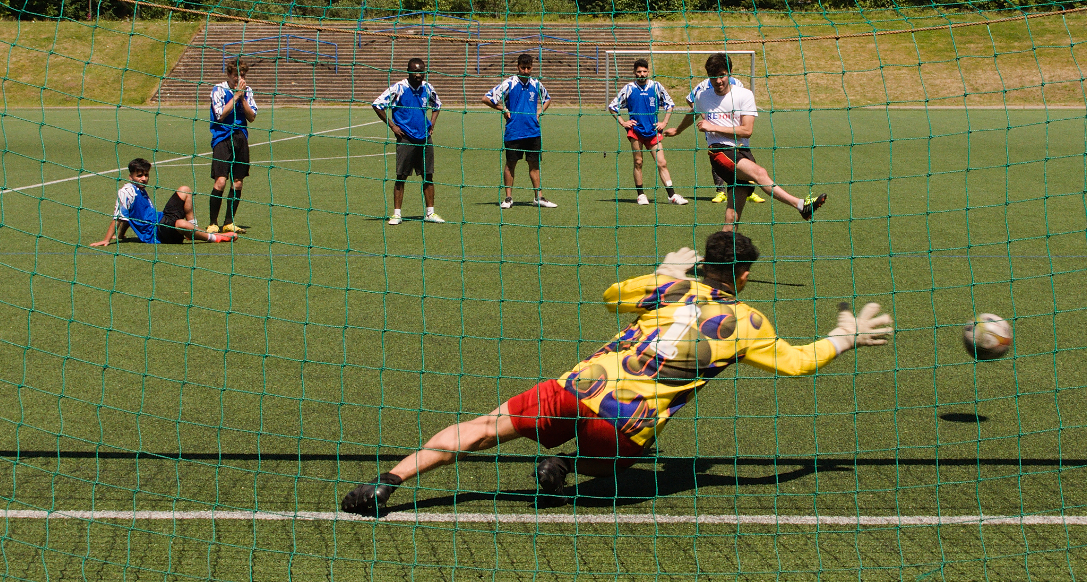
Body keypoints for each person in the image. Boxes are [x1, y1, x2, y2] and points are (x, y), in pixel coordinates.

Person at [340, 230, 894, 517]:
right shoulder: (750, 322)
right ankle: (566, 464)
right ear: (744, 275)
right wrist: (843, 337)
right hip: (628, 421)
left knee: (486, 428)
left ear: (703, 262)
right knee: (623, 462)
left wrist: (663, 272)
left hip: (578, 387)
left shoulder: (669, 287)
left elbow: (611, 297)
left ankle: (387, 483)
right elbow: (798, 363)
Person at [667, 53, 823, 230]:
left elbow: (746, 131)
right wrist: (677, 130)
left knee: (732, 216)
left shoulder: (744, 95)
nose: (718, 81)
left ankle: (724, 245)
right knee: (760, 173)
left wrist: (712, 126)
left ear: (730, 72)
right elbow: (694, 112)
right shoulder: (703, 96)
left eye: (722, 75)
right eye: (713, 77)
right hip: (719, 153)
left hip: (742, 152)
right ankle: (801, 205)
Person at [90, 158, 233, 247]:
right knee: (180, 224)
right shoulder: (126, 192)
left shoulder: (140, 189)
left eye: (146, 175)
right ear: (130, 176)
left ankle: (192, 230)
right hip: (157, 232)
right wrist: (106, 239)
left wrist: (121, 235)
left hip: (162, 218)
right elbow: (119, 218)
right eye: (139, 175)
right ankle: (214, 237)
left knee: (184, 190)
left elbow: (129, 216)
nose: (144, 178)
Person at [371, 57, 446, 225]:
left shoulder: (427, 87)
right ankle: (397, 214)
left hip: (424, 138)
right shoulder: (399, 88)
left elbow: (437, 105)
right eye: (415, 71)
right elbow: (377, 104)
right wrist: (393, 126)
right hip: (406, 138)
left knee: (428, 175)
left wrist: (432, 123)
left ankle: (430, 213)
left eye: (421, 71)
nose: (418, 75)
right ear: (409, 71)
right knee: (401, 176)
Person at [607, 58, 689, 205]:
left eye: (644, 71)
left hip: (653, 131)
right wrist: (623, 122)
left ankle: (672, 196)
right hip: (636, 131)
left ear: (648, 72)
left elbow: (670, 104)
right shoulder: (629, 88)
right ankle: (641, 195)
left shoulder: (656, 86)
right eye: (639, 71)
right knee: (638, 162)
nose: (642, 74)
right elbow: (612, 107)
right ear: (634, 72)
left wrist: (664, 122)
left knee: (662, 163)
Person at [484, 51, 556, 209]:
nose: (526, 71)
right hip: (514, 131)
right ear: (518, 67)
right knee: (511, 164)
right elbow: (486, 98)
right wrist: (503, 108)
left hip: (533, 131)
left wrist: (539, 112)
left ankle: (538, 197)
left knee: (534, 165)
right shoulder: (509, 83)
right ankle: (508, 198)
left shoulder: (536, 84)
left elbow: (547, 99)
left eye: (528, 68)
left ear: (532, 67)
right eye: (523, 67)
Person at [207, 59, 257, 233]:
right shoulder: (219, 90)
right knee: (220, 181)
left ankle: (229, 222)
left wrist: (242, 98)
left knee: (238, 183)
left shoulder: (248, 91)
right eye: (236, 75)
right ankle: (213, 222)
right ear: (229, 74)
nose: (239, 79)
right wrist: (235, 96)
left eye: (242, 75)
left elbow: (252, 117)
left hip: (240, 137)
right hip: (222, 138)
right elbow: (220, 115)